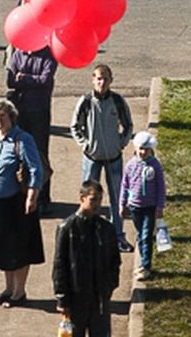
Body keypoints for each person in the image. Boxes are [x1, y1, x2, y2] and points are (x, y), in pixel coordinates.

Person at [0, 98, 44, 307]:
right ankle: (8, 289)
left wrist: (32, 197)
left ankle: (19, 292)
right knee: (4, 249)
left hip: (18, 202)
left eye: (2, 115)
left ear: (11, 117)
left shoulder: (22, 139)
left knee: (20, 248)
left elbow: (36, 169)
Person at [71, 64, 134, 252]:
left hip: (114, 158)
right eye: (98, 78)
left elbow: (128, 124)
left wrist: (121, 142)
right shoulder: (86, 101)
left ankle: (118, 237)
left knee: (118, 198)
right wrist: (85, 145)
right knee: (89, 198)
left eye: (105, 78)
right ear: (93, 79)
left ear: (111, 80)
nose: (102, 82)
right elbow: (75, 126)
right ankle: (87, 235)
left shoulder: (117, 100)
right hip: (92, 158)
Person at [52, 181, 121, 337]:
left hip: (99, 298)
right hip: (76, 298)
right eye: (93, 199)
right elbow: (59, 265)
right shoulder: (67, 228)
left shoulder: (105, 228)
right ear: (82, 198)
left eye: (100, 199)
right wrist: (62, 299)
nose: (97, 204)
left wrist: (110, 285)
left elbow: (114, 260)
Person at [6, 46, 57, 209]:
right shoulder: (17, 54)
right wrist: (31, 79)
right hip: (20, 111)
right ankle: (23, 194)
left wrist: (24, 78)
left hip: (39, 111)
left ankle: (43, 198)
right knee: (20, 153)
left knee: (40, 154)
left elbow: (46, 80)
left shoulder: (48, 54)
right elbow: (10, 81)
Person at [122, 132, 166, 282]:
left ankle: (146, 266)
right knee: (141, 235)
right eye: (140, 149)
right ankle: (142, 263)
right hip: (135, 206)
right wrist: (122, 204)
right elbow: (125, 185)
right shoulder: (130, 165)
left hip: (150, 207)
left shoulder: (155, 166)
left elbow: (161, 188)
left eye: (146, 149)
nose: (143, 152)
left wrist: (160, 207)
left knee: (146, 235)